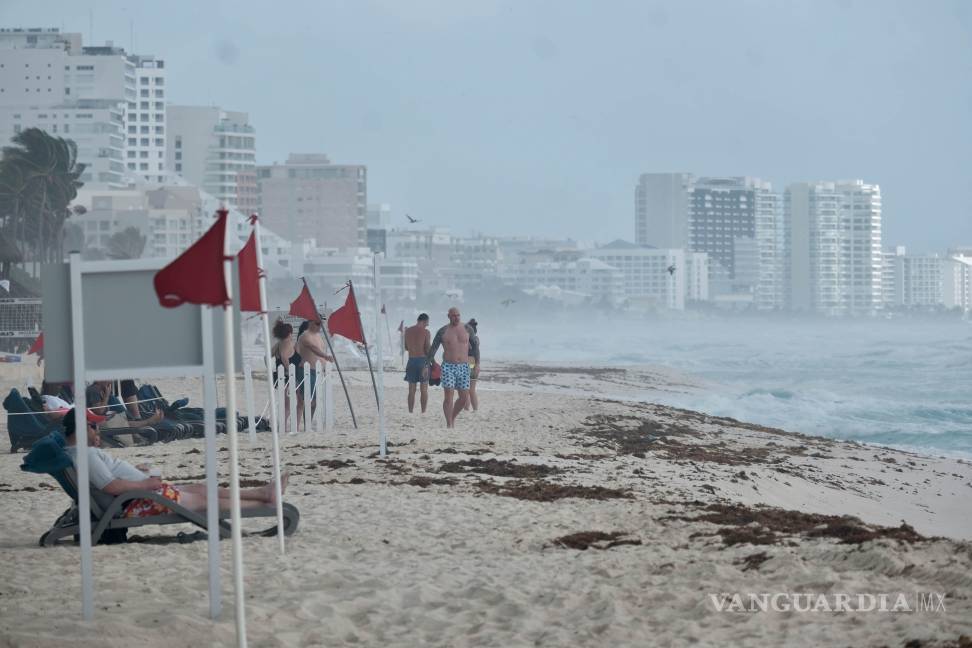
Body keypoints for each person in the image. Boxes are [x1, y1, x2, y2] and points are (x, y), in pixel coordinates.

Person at [62, 408, 287, 516]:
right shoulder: (86, 455)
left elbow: (108, 479)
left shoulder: (82, 453)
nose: (98, 430)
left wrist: (136, 472)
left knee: (202, 489)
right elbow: (110, 486)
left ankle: (262, 493)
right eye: (94, 426)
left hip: (140, 496)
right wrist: (144, 484)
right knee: (204, 500)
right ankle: (264, 507)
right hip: (138, 501)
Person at [426, 306, 478, 428]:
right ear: (449, 316)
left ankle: (452, 418)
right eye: (454, 315)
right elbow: (433, 349)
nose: (456, 318)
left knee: (463, 398)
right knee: (449, 395)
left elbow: (475, 348)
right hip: (448, 366)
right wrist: (428, 364)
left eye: (458, 315)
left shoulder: (467, 329)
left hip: (464, 366)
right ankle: (449, 423)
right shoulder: (443, 331)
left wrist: (477, 364)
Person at [295, 319, 334, 428]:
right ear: (310, 323)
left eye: (321, 323)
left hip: (317, 371)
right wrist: (326, 356)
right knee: (308, 399)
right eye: (317, 323)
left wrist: (325, 365)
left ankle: (308, 423)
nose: (320, 326)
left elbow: (320, 351)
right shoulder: (305, 336)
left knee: (315, 401)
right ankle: (306, 424)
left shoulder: (318, 336)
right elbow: (314, 349)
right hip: (305, 371)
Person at [271, 318, 298, 431]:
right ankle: (283, 425)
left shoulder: (278, 344)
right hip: (287, 376)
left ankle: (282, 424)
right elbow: (284, 357)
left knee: (285, 402)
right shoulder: (288, 343)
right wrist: (290, 371)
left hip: (278, 375)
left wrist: (270, 369)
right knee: (289, 404)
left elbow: (267, 356)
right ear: (289, 333)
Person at [403, 313, 432, 413]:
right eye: (427, 322)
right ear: (424, 321)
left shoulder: (407, 331)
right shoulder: (426, 332)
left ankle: (410, 411)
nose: (428, 324)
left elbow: (406, 347)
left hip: (411, 361)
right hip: (422, 361)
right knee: (424, 389)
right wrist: (432, 362)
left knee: (411, 390)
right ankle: (423, 412)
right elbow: (427, 349)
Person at [464, 318, 481, 412]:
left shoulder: (467, 339)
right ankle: (475, 409)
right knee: (472, 389)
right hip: (473, 362)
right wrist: (477, 364)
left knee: (466, 389)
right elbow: (477, 352)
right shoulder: (476, 339)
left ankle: (467, 409)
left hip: (468, 362)